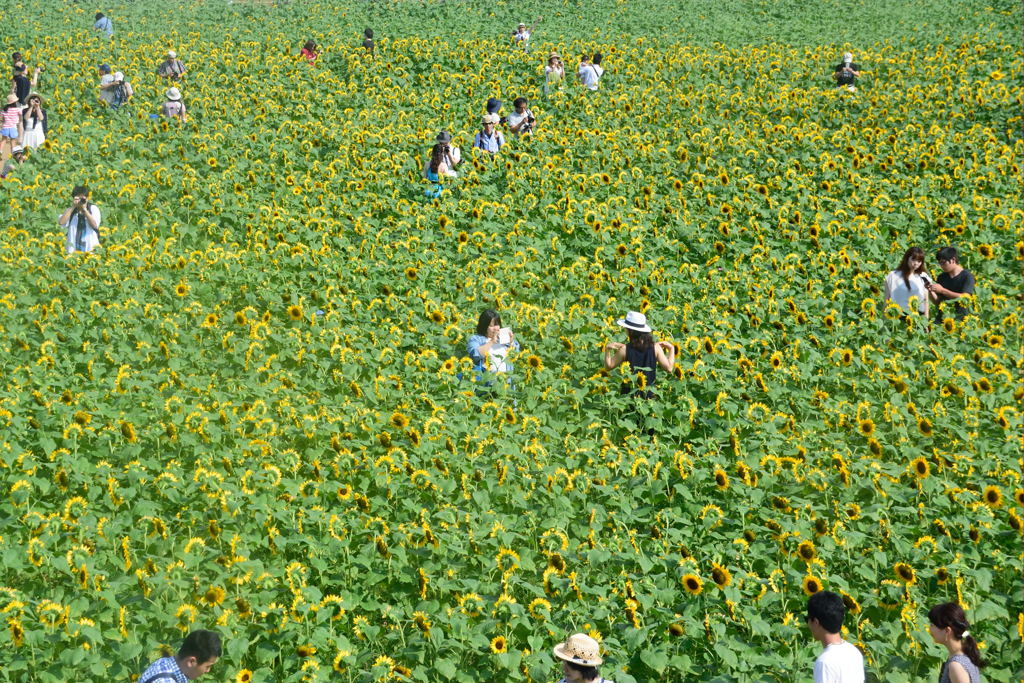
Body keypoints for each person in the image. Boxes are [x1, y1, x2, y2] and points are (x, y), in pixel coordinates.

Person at [603, 311, 675, 398]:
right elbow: (669, 368)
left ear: (630, 331)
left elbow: (608, 366)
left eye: (625, 328)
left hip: (628, 396)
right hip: (648, 395)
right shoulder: (656, 348)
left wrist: (607, 350)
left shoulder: (625, 350)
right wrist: (671, 349)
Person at [806, 591, 865, 683]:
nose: (808, 625)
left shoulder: (824, 663)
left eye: (807, 619)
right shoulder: (854, 652)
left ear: (816, 622)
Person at [927, 602, 985, 683]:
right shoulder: (965, 654)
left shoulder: (956, 665)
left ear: (947, 631)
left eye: (932, 625)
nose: (930, 629)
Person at [139, 629, 221, 682]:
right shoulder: (165, 680)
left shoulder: (165, 662)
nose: (208, 671)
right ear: (191, 661)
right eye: (207, 666)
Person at [928, 247, 974, 321]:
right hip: (943, 318)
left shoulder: (967, 276)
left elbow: (965, 297)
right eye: (939, 263)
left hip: (960, 319)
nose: (941, 266)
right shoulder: (941, 277)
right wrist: (931, 290)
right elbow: (937, 302)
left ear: (953, 260)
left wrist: (942, 290)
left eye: (943, 262)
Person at [467, 309, 519, 374]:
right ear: (484, 326)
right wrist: (491, 342)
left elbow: (516, 355)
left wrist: (511, 342)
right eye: (491, 326)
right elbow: (474, 355)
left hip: (506, 380)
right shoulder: (476, 339)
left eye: (497, 325)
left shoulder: (503, 337)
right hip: (487, 380)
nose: (496, 328)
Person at [883, 246, 930, 317]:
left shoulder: (923, 276)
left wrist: (926, 322)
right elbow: (886, 299)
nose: (916, 263)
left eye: (919, 261)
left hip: (917, 317)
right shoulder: (893, 275)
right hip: (897, 315)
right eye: (913, 259)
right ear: (907, 258)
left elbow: (926, 301)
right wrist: (884, 318)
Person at [59, 185, 102, 255]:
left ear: (87, 198)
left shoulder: (93, 209)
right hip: (73, 252)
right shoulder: (71, 211)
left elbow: (95, 225)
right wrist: (73, 206)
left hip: (91, 251)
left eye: (83, 198)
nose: (81, 201)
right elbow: (61, 222)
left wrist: (84, 210)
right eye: (78, 198)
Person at [1, 94, 23, 160]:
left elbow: (2, 119)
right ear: (15, 102)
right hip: (13, 127)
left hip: (5, 127)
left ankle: (0, 151)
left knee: (3, 141)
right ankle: (13, 156)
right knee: (13, 142)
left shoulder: (4, 110)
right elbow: (21, 115)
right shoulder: (17, 109)